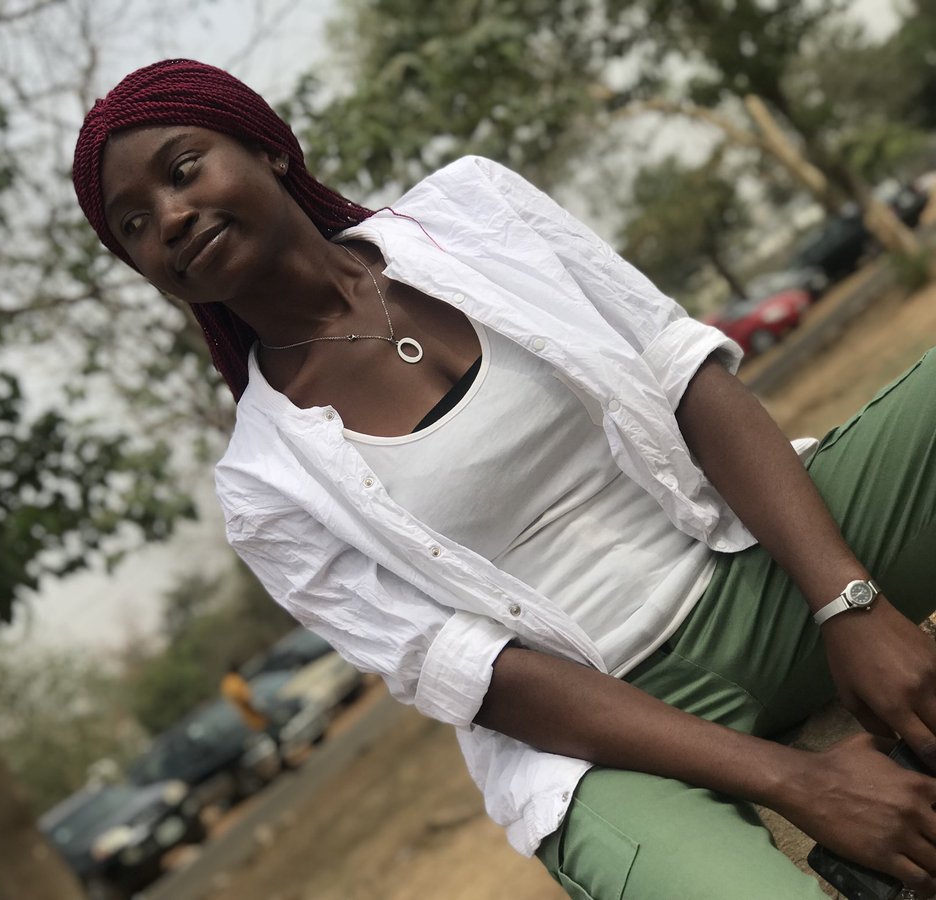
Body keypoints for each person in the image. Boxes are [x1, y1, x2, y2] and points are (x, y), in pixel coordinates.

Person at [73, 59, 936, 898]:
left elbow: (682, 375)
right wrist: (801, 783)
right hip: (605, 747)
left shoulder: (474, 209)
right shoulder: (263, 486)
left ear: (268, 147)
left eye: (183, 170)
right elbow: (480, 676)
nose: (170, 219)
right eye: (134, 225)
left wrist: (847, 603)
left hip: (754, 576)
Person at [220, 661, 269, 732]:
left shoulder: (226, 682)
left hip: (248, 717)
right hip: (256, 716)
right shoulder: (234, 681)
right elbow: (246, 697)